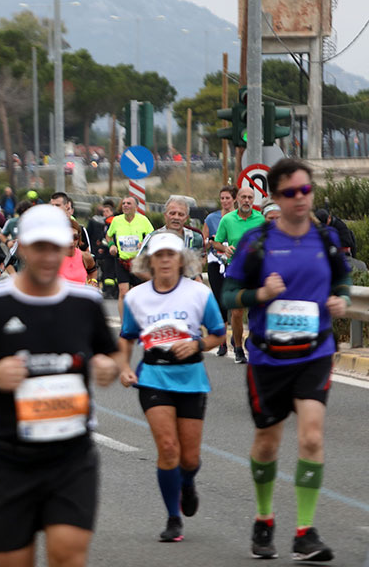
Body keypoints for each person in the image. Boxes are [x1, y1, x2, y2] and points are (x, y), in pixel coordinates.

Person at [0, 204, 119, 567]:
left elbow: (112, 357)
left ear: (67, 247)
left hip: (72, 456)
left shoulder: (85, 302)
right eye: (39, 247)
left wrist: (107, 367)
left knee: (68, 553)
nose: (48, 256)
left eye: (55, 247)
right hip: (8, 458)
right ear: (21, 247)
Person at [222, 159, 350, 561]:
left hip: (315, 351)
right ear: (276, 197)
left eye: (305, 190)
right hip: (268, 357)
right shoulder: (257, 242)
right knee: (267, 443)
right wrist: (259, 295)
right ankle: (264, 519)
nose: (300, 198)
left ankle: (304, 532)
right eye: (291, 192)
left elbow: (342, 279)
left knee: (311, 437)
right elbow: (228, 294)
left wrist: (341, 299)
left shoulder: (326, 238)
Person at [118, 233, 226, 543]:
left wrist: (197, 345)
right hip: (153, 377)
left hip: (191, 378)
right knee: (167, 448)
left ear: (181, 260)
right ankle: (173, 517)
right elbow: (127, 337)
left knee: (189, 459)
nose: (165, 260)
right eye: (159, 255)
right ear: (150, 261)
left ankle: (187, 483)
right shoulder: (136, 297)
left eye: (171, 254)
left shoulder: (199, 293)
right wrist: (124, 367)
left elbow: (218, 334)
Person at [212, 187, 264, 364]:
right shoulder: (227, 219)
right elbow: (216, 243)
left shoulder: (260, 219)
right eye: (243, 197)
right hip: (235, 270)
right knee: (236, 312)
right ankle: (238, 348)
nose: (247, 200)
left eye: (250, 197)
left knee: (256, 311)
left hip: (256, 270)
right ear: (237, 199)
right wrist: (225, 248)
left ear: (253, 200)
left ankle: (252, 343)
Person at [107, 196, 154, 320]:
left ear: (136, 207)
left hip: (138, 262)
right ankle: (124, 324)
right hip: (122, 261)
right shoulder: (116, 220)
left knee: (138, 293)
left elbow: (152, 236)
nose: (125, 205)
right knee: (123, 292)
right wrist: (112, 245)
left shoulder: (143, 220)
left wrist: (144, 244)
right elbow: (108, 235)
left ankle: (139, 319)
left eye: (129, 203)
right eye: (123, 203)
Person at [203, 186, 236, 357]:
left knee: (234, 301)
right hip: (216, 262)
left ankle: (236, 337)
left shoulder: (239, 218)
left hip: (234, 262)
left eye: (227, 198)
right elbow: (204, 240)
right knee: (219, 299)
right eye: (222, 198)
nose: (224, 201)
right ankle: (222, 340)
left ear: (234, 199)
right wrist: (210, 242)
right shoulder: (211, 218)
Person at [60, 217, 98, 286]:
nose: (71, 241)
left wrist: (93, 280)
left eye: (75, 237)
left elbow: (93, 271)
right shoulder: (52, 257)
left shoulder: (85, 257)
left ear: (79, 238)